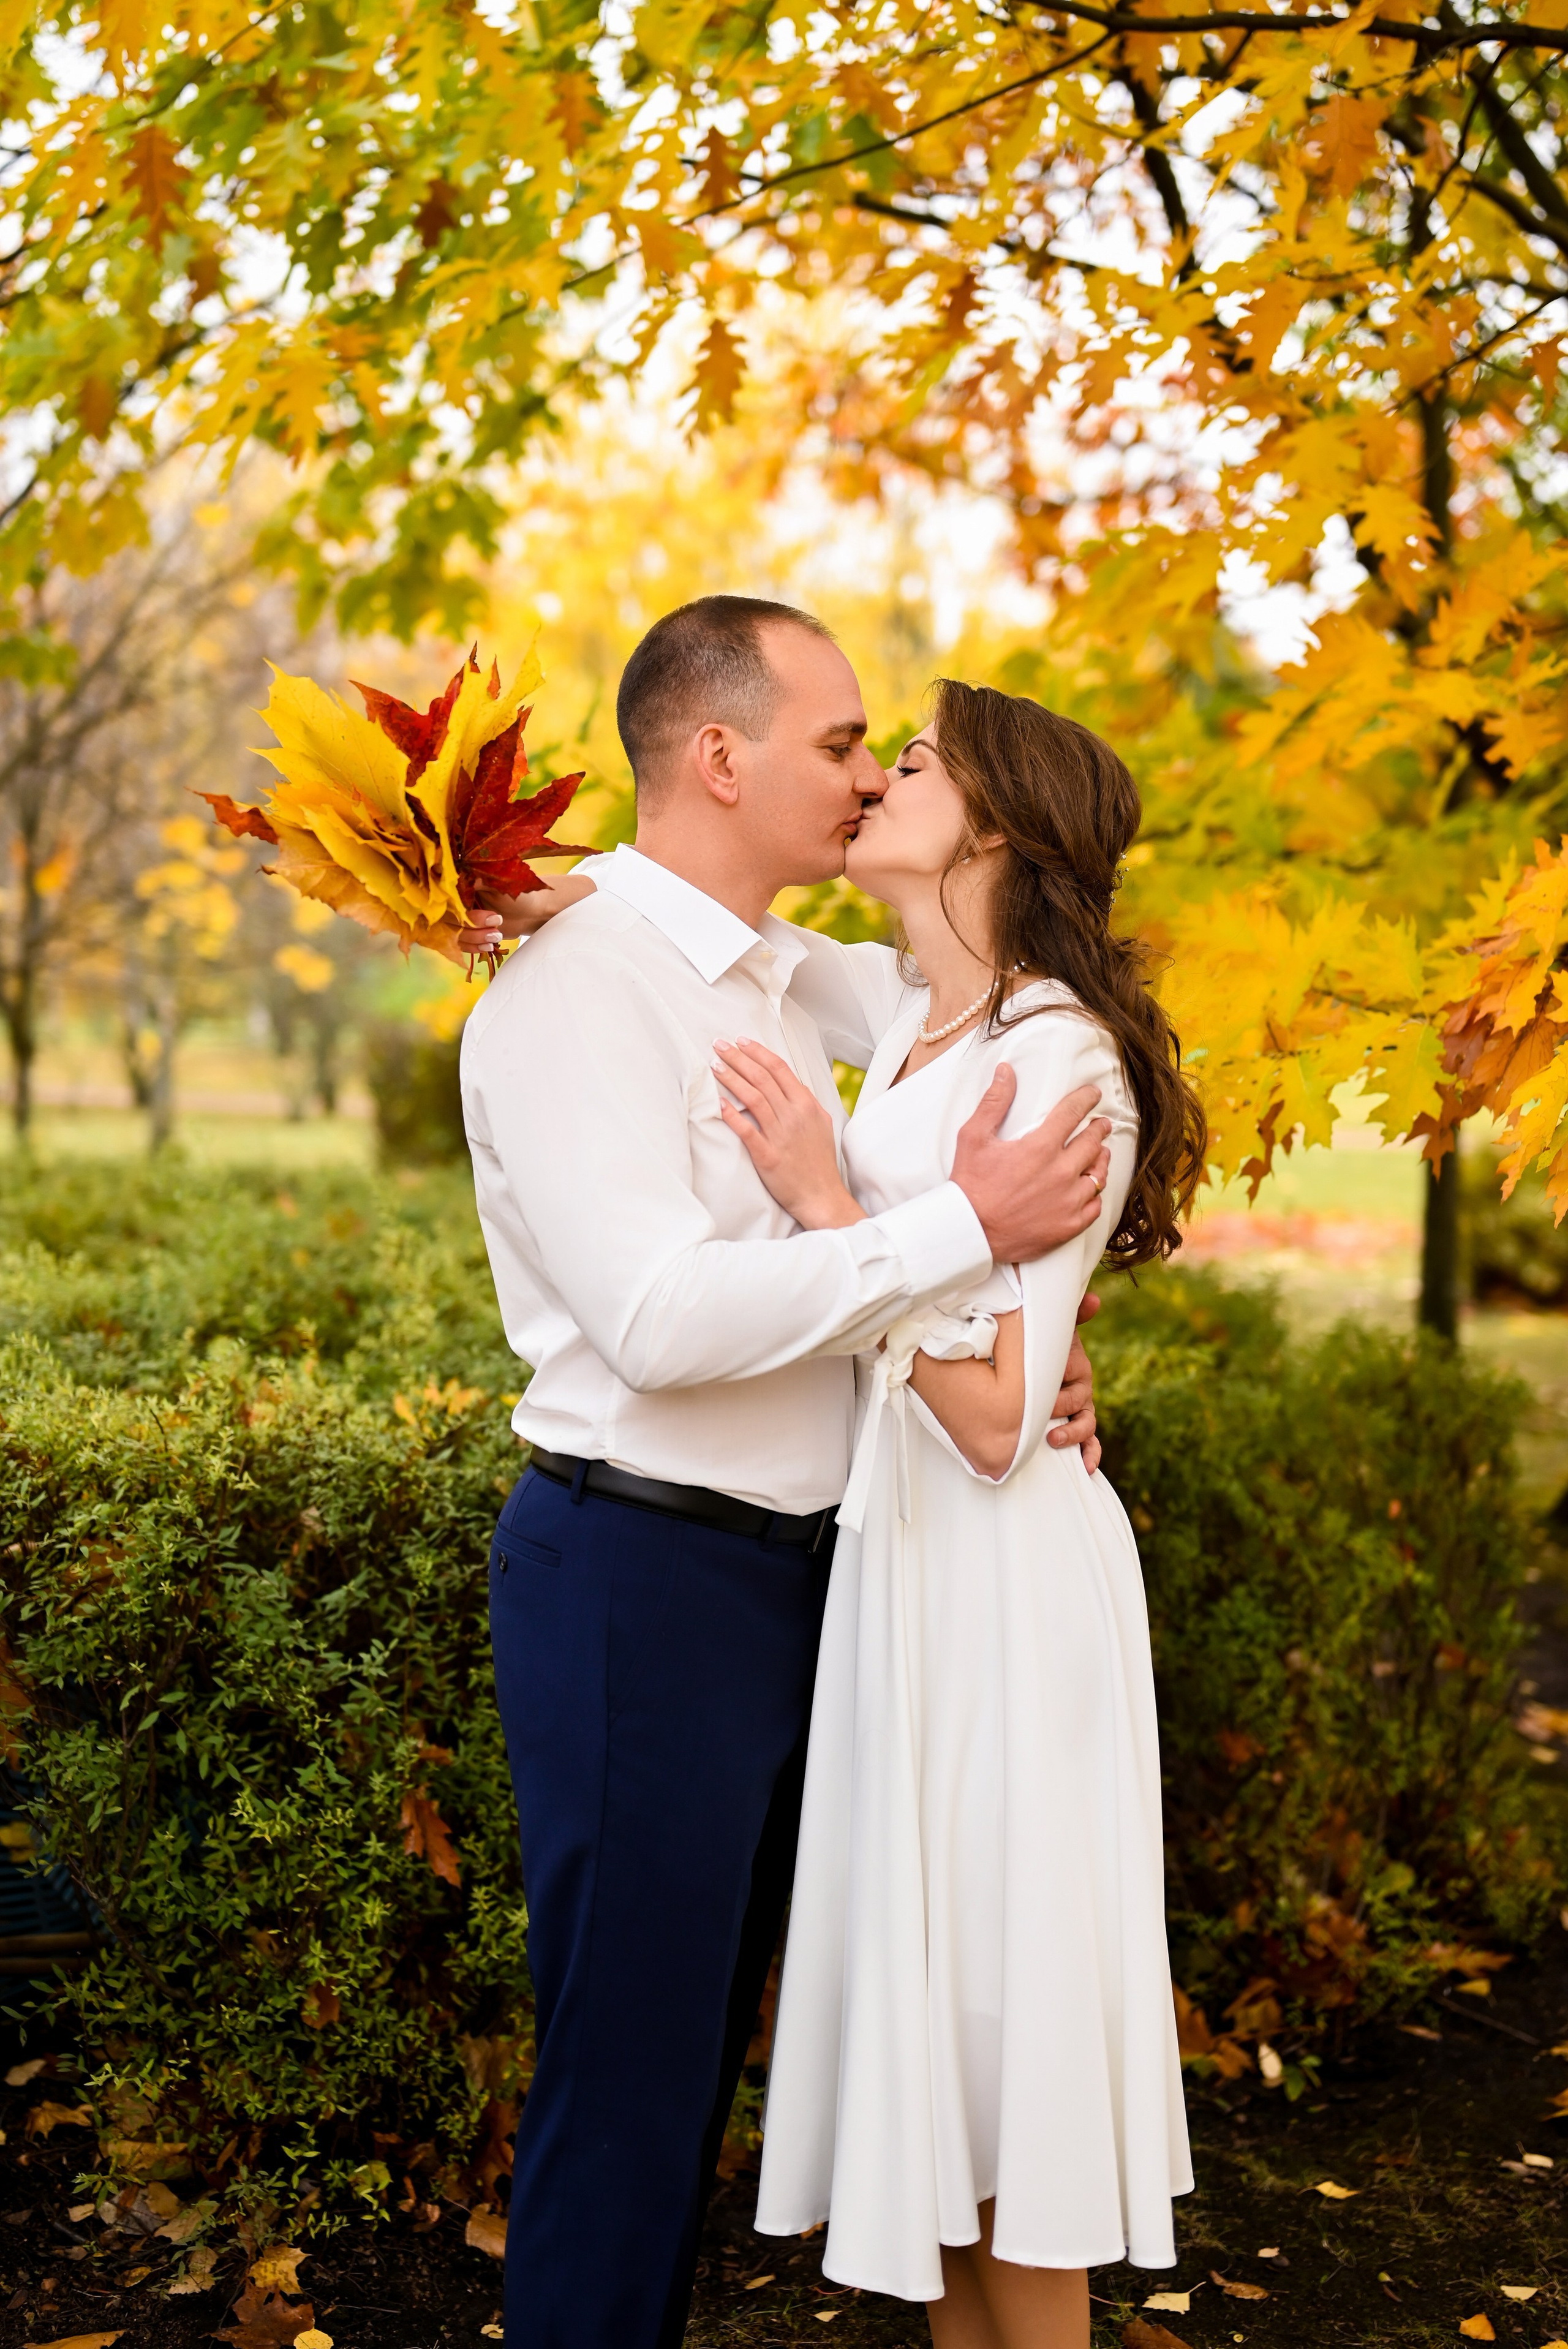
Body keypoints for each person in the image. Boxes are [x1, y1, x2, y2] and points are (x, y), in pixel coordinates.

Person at [456, 597, 1114, 2349]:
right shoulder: (578, 988)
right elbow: (663, 1319)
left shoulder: (775, 968)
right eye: (842, 741)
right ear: (721, 752)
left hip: (839, 1582)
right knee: (628, 2086)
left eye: (889, 752)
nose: (864, 769)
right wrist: (957, 1237)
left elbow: (1000, 1008)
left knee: (766, 2065)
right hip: (646, 1580)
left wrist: (1034, 1331)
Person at [710, 681, 1206, 2349]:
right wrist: (512, 897)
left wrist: (839, 1220)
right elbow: (723, 935)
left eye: (906, 761)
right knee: (950, 2128)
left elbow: (1001, 1418)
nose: (871, 781)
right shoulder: (922, 1021)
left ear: (994, 823)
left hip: (1001, 1588)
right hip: (907, 1573)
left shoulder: (1062, 1055)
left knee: (1012, 2095)